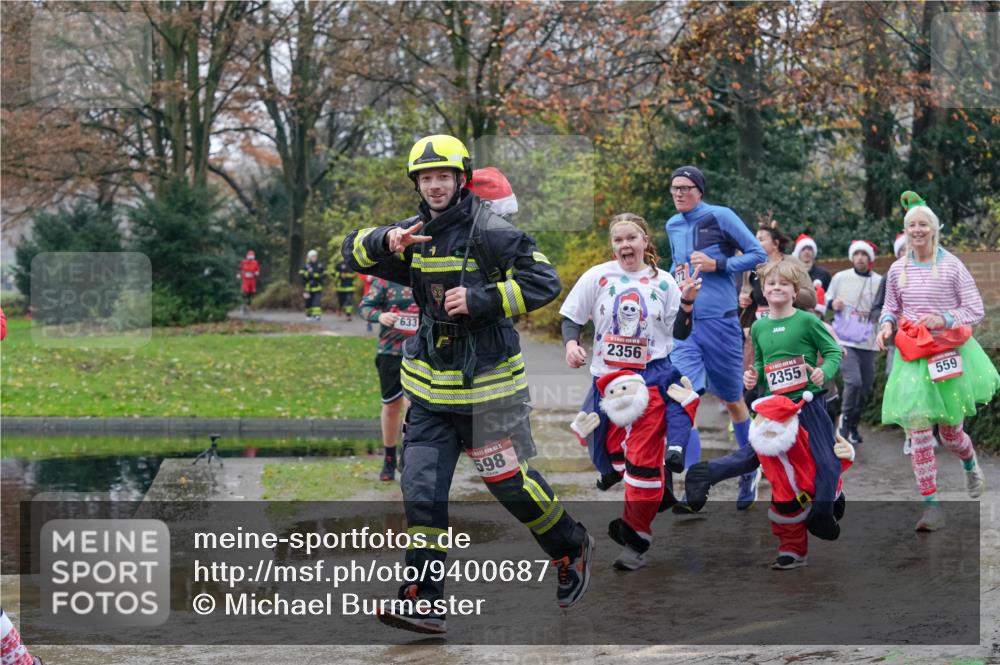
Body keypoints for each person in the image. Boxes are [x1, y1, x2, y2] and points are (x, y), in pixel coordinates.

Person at [342, 134, 593, 634]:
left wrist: (483, 299)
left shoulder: (493, 230)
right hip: (431, 392)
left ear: (461, 179)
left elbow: (544, 281)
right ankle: (425, 599)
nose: (434, 186)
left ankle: (569, 546)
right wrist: (384, 240)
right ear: (417, 183)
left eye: (443, 177)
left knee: (509, 485)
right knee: (422, 492)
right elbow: (351, 255)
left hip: (490, 393)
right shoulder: (411, 233)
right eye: (425, 178)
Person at [559, 212, 700, 569]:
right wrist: (571, 344)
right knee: (600, 449)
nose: (625, 245)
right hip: (606, 380)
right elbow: (571, 318)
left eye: (631, 238)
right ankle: (659, 489)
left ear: (645, 242)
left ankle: (637, 539)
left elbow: (680, 334)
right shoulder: (598, 276)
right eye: (618, 240)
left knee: (641, 463)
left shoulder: (665, 283)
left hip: (651, 377)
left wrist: (686, 302)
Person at [681, 259, 845, 543]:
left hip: (808, 403)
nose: (777, 288)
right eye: (771, 284)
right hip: (774, 406)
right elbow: (760, 362)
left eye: (784, 284)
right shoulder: (759, 327)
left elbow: (833, 352)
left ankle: (822, 512)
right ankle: (703, 474)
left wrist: (823, 372)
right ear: (764, 291)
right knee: (754, 455)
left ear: (795, 292)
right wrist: (752, 377)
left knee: (825, 460)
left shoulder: (807, 321)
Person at [876, 203, 998, 532]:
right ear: (906, 230)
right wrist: (885, 326)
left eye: (922, 225)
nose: (917, 230)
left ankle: (970, 463)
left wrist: (943, 319)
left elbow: (974, 309)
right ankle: (932, 507)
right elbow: (890, 306)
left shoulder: (952, 266)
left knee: (950, 434)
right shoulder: (898, 269)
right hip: (913, 356)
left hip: (948, 352)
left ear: (934, 228)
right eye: (911, 225)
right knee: (918, 433)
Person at [665, 165, 767, 510]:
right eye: (674, 188)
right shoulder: (672, 224)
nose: (678, 193)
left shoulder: (720, 216)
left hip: (722, 323)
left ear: (699, 190)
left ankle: (748, 470)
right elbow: (677, 267)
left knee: (734, 400)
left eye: (685, 187)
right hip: (687, 322)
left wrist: (719, 265)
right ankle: (695, 482)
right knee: (686, 397)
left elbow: (758, 255)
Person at [745, 391, 855, 570]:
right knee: (784, 516)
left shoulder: (807, 435)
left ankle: (829, 509)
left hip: (818, 492)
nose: (768, 424)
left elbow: (831, 463)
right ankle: (792, 552)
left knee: (827, 512)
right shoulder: (761, 443)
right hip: (787, 497)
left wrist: (847, 454)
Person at [359, 278, 417, 481]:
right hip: (390, 352)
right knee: (391, 406)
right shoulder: (385, 280)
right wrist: (380, 316)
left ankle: (408, 458)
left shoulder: (428, 272)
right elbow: (365, 307)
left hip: (420, 353)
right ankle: (389, 459)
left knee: (413, 409)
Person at [827, 240, 882, 445]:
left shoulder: (878, 281)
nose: (860, 258)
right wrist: (834, 303)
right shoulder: (841, 277)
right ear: (852, 257)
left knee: (866, 386)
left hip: (868, 340)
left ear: (870, 259)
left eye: (864, 254)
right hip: (844, 339)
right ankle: (843, 423)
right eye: (856, 254)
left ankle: (853, 425)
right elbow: (827, 299)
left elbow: (886, 304)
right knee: (854, 381)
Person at [299, 249, 325, 321]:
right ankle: (308, 315)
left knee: (316, 302)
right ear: (309, 257)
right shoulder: (306, 266)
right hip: (307, 288)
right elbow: (302, 274)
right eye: (313, 256)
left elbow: (322, 275)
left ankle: (317, 315)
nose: (314, 258)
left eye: (315, 256)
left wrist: (313, 275)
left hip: (317, 287)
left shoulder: (319, 265)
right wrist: (308, 274)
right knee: (308, 302)